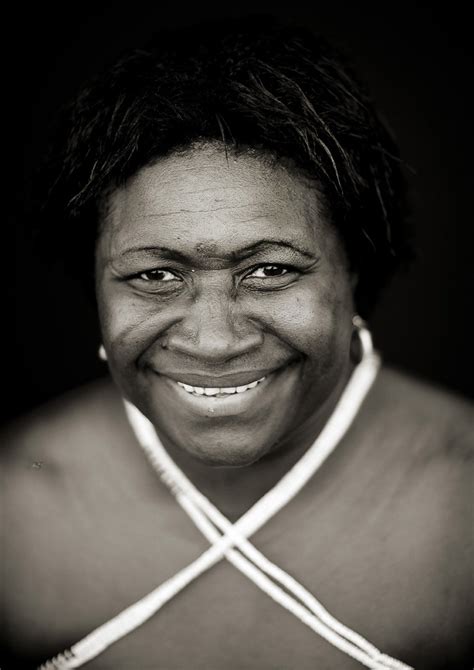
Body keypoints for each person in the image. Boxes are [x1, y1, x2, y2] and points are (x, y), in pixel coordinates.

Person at [1, 16, 472, 670]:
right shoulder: (13, 506)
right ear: (96, 287)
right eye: (156, 276)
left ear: (355, 270)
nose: (215, 340)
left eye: (270, 270)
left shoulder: (462, 500)